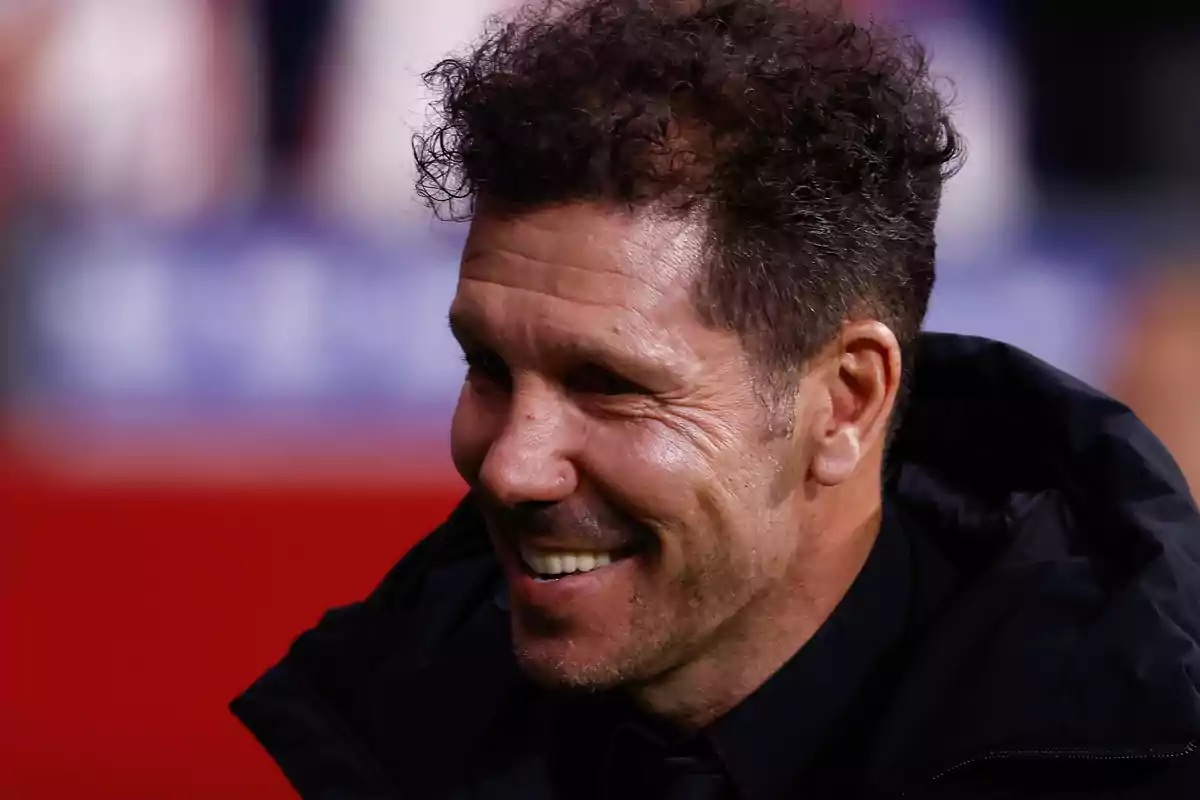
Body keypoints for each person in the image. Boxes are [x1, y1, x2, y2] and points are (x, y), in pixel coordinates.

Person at [231, 1, 1200, 796]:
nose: (513, 463)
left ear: (847, 400)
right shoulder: (403, 717)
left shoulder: (1131, 753)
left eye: (607, 384)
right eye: (487, 368)